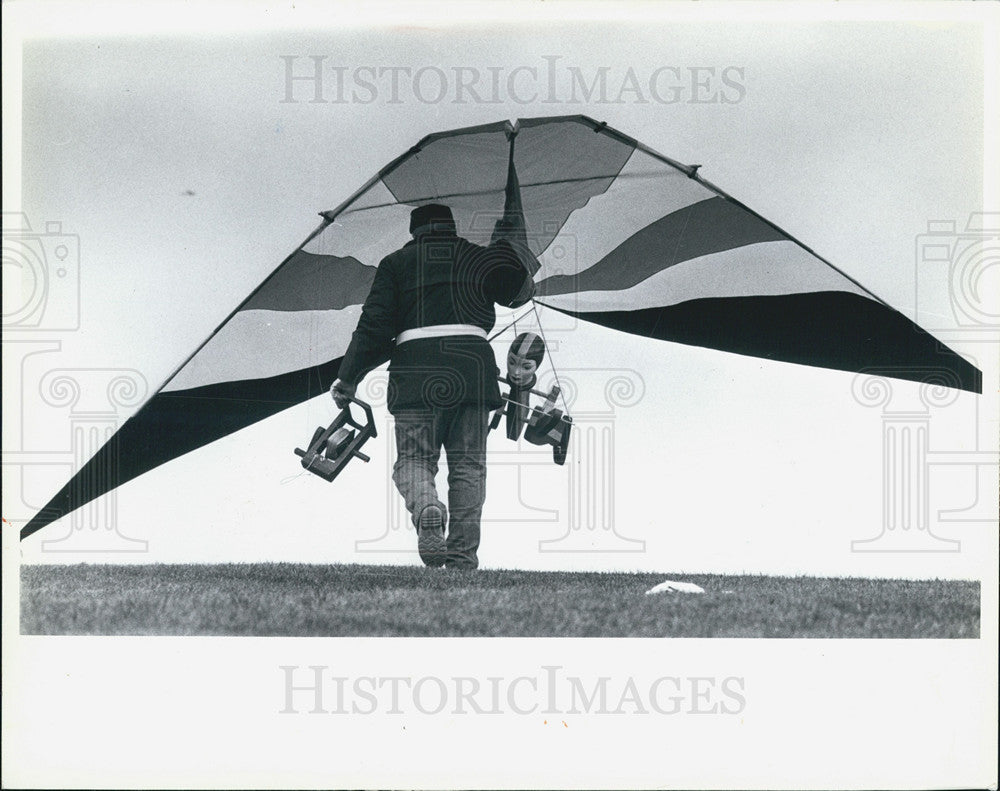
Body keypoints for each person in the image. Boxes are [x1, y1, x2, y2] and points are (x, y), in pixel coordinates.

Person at [331, 203, 534, 569]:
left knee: (413, 461)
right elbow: (516, 291)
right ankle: (461, 559)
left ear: (415, 233)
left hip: (416, 373)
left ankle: (427, 507)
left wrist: (349, 377)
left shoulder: (395, 264)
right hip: (473, 370)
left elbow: (374, 327)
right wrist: (507, 244)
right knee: (468, 468)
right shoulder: (477, 258)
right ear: (452, 228)